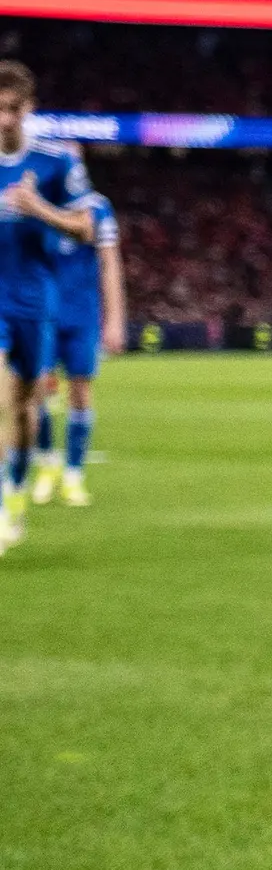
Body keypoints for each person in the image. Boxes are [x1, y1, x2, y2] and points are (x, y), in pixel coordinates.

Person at [0, 62, 95, 550]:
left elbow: (86, 228)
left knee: (20, 409)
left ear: (29, 109)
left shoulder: (56, 162)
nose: (5, 119)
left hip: (33, 299)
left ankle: (14, 493)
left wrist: (37, 208)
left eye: (13, 109)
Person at [31, 182, 124, 507]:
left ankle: (73, 475)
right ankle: (46, 462)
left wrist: (114, 318)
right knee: (36, 389)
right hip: (42, 313)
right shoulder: (38, 203)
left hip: (83, 316)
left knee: (81, 391)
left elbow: (110, 263)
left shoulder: (99, 208)